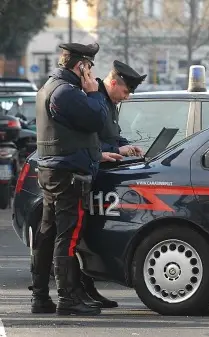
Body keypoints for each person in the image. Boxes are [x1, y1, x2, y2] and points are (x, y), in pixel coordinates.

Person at [30, 42, 123, 316]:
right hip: (68, 174)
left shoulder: (50, 87)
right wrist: (94, 93)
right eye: (90, 66)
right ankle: (67, 298)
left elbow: (72, 131)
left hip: (52, 170)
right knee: (66, 236)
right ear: (81, 65)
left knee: (47, 234)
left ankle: (40, 297)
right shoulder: (67, 92)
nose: (92, 73)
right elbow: (95, 119)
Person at [71, 60, 147, 309]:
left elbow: (111, 136)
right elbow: (85, 140)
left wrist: (127, 146)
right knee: (78, 236)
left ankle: (87, 287)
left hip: (103, 175)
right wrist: (116, 149)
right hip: (88, 174)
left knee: (89, 235)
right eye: (125, 92)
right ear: (114, 82)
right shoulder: (93, 100)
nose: (126, 98)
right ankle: (78, 289)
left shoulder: (109, 102)